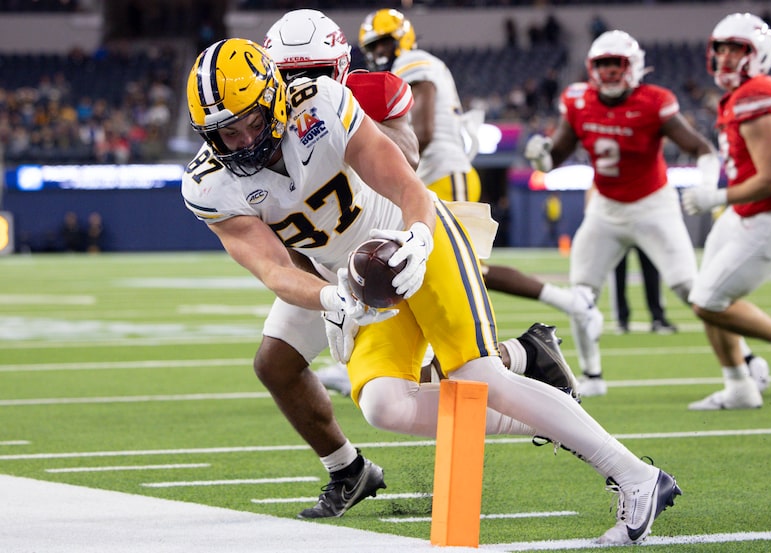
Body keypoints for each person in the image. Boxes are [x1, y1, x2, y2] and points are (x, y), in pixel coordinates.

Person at [183, 37, 681, 545]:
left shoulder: (322, 105)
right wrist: (330, 298)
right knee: (383, 404)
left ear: (275, 98)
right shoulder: (208, 184)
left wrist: (420, 238)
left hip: (412, 237)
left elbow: (405, 184)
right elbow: (272, 270)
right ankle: (552, 411)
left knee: (478, 373)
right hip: (357, 280)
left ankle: (637, 477)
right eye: (226, 133)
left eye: (251, 121)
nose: (244, 141)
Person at [263, 9, 581, 400]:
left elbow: (416, 145)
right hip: (383, 209)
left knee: (458, 289)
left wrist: (349, 123)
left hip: (432, 181)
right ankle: (516, 353)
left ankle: (532, 342)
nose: (304, 86)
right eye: (373, 46)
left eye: (385, 43)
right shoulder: (266, 124)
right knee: (403, 317)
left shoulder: (401, 72)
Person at [524, 30, 769, 397]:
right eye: (602, 64)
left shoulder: (655, 102)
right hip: (606, 208)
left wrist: (705, 186)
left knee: (693, 290)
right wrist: (541, 157)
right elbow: (556, 155)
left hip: (653, 206)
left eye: (615, 64)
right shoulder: (577, 100)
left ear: (633, 67)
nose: (608, 72)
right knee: (580, 294)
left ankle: (747, 359)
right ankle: (591, 376)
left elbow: (701, 148)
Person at [357, 8, 603, 353]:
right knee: (417, 269)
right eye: (375, 47)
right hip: (430, 178)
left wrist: (390, 174)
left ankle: (569, 307)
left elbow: (423, 132)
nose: (380, 53)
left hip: (441, 172)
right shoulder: (406, 66)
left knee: (462, 270)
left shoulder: (413, 61)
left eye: (385, 43)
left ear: (403, 39)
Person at [680, 13, 771, 409]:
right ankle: (740, 387)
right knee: (705, 295)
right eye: (721, 48)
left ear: (757, 53)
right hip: (748, 213)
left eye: (736, 49)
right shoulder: (747, 92)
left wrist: (717, 196)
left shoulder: (755, 94)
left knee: (708, 302)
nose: (725, 57)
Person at [611, 246, 677, 334]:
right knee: (619, 270)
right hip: (620, 232)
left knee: (651, 268)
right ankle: (621, 319)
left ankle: (657, 318)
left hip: (644, 232)